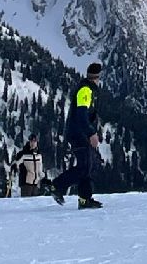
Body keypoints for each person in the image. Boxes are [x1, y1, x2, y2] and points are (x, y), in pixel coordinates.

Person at [51, 62, 104, 210]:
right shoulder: (86, 91)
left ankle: (84, 199)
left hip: (79, 133)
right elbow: (81, 115)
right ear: (97, 77)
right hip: (78, 134)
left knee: (87, 166)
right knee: (84, 167)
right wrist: (91, 132)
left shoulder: (87, 89)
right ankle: (57, 185)